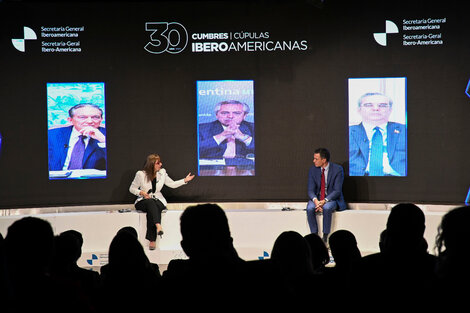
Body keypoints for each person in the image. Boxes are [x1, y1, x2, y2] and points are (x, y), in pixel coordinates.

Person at [129, 153, 194, 250]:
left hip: (158, 200)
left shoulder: (162, 172)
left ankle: (152, 240)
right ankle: (158, 226)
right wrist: (141, 192)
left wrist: (184, 180)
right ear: (151, 164)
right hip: (143, 201)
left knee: (153, 206)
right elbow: (132, 188)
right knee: (151, 203)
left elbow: (172, 184)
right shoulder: (141, 174)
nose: (161, 164)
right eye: (158, 163)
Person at [349, 92, 407, 176]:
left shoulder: (404, 131)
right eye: (369, 105)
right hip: (359, 180)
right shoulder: (349, 132)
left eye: (382, 105)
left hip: (400, 179)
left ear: (390, 110)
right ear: (359, 109)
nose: (376, 108)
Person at [48, 103, 107, 171]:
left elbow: (116, 163)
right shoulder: (51, 135)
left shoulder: (106, 135)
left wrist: (103, 141)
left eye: (95, 117)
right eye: (82, 117)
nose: (89, 121)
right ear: (70, 120)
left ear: (101, 119)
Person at [306, 148, 347, 243]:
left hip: (331, 199)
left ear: (324, 160)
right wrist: (316, 201)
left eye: (316, 159)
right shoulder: (313, 170)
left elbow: (337, 191)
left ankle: (325, 236)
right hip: (317, 199)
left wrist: (324, 201)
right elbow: (310, 190)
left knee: (327, 208)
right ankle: (314, 235)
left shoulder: (337, 170)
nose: (314, 161)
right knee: (310, 208)